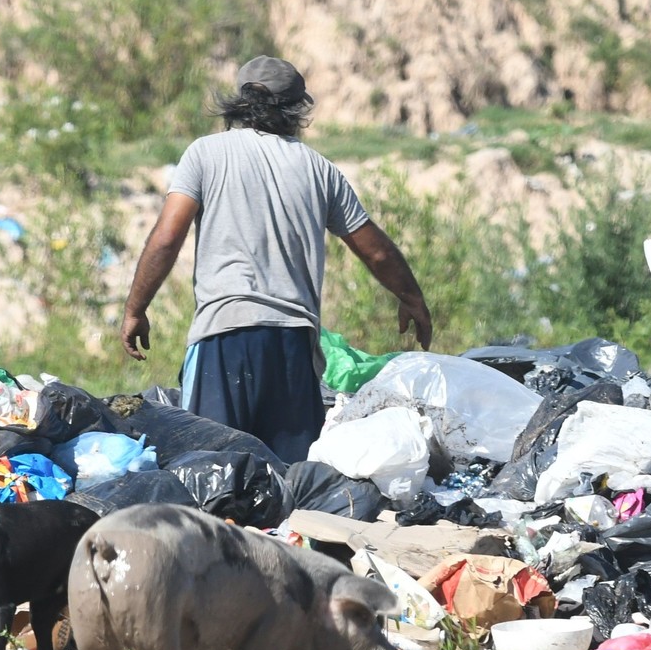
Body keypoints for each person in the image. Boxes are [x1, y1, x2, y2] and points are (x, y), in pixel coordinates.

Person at [120, 55, 432, 464]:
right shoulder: (320, 170)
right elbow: (374, 248)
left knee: (209, 475)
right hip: (293, 346)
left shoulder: (205, 154)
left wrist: (135, 309)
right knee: (287, 486)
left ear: (241, 101)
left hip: (224, 335)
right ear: (297, 108)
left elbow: (165, 239)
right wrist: (413, 301)